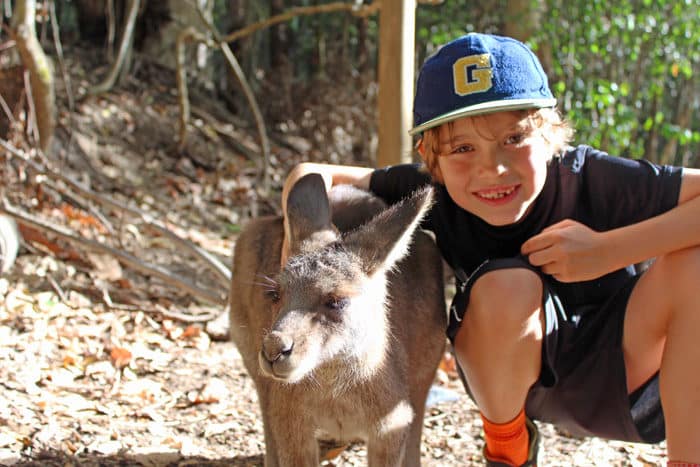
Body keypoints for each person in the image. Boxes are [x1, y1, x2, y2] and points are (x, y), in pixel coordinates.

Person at [280, 32, 700, 466]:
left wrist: (610, 250)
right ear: (431, 157)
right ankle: (509, 449)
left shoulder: (587, 176)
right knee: (506, 284)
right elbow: (311, 176)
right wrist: (293, 269)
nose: (492, 168)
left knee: (695, 261)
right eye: (463, 148)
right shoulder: (431, 192)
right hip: (510, 380)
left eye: (514, 139)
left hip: (631, 375)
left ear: (549, 134)